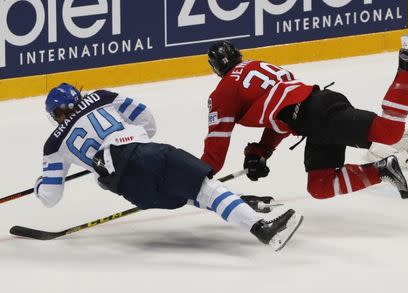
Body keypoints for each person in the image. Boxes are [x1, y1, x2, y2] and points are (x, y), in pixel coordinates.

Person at [33, 83, 303, 251]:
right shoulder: (102, 97)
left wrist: (39, 186)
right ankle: (261, 228)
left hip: (130, 189)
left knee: (190, 194)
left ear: (56, 115)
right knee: (205, 188)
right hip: (145, 154)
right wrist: (135, 138)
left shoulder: (54, 144)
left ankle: (239, 205)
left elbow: (50, 197)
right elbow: (146, 118)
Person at [201, 37, 408, 199]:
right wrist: (261, 151)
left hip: (317, 115)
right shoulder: (260, 67)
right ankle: (384, 171)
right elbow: (282, 114)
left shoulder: (223, 92)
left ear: (216, 69)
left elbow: (216, 147)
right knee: (320, 185)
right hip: (315, 113)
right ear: (239, 55)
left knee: (389, 132)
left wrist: (195, 174)